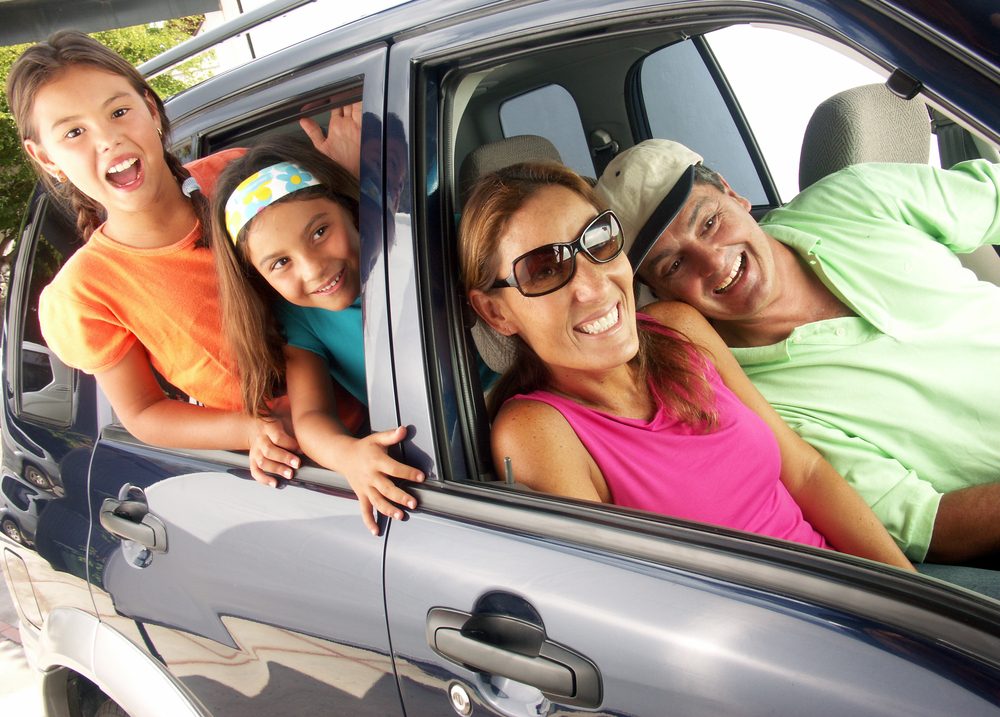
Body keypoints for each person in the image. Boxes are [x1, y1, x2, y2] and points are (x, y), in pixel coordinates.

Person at [459, 161, 913, 570]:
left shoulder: (678, 327)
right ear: (496, 312)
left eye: (599, 240)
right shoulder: (536, 430)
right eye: (543, 270)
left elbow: (804, 471)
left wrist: (908, 594)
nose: (594, 286)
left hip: (861, 590)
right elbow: (623, 603)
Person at [596, 138, 1000, 564]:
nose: (712, 261)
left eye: (710, 222)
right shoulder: (751, 406)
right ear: (658, 295)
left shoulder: (856, 196)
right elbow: (929, 524)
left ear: (733, 193)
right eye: (674, 265)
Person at [5, 31, 350, 487]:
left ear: (150, 108)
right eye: (74, 132)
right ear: (45, 157)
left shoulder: (239, 177)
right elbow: (143, 412)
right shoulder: (83, 292)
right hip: (313, 462)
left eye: (119, 111)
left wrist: (349, 179)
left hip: (400, 386)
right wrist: (248, 430)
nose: (108, 138)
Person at [211, 136, 424, 535]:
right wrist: (348, 456)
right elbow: (311, 417)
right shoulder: (300, 318)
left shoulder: (414, 248)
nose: (313, 269)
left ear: (348, 209)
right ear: (258, 278)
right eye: (280, 263)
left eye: (319, 232)